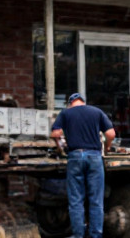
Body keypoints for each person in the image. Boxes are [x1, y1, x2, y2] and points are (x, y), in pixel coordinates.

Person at [50, 93, 115, 238]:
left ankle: (78, 235)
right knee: (96, 200)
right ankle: (95, 234)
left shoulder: (66, 113)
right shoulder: (96, 112)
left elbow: (55, 133)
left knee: (76, 201)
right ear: (83, 102)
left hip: (75, 156)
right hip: (94, 157)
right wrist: (108, 146)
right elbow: (110, 133)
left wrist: (60, 148)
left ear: (70, 103)